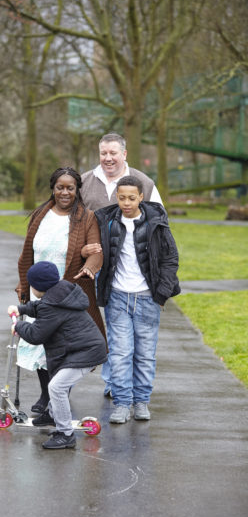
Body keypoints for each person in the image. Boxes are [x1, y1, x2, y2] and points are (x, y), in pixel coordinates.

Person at [16, 167, 106, 414]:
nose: (65, 192)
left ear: (77, 190)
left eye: (70, 188)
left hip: (67, 293)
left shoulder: (86, 218)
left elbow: (95, 250)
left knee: (61, 346)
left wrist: (89, 267)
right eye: (60, 187)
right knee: (38, 346)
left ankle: (57, 395)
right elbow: (27, 253)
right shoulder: (39, 215)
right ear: (52, 189)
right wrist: (25, 285)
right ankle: (47, 393)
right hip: (38, 289)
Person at [81, 132, 163, 399]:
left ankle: (116, 386)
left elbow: (160, 228)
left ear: (124, 154)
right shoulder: (84, 182)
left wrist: (160, 277)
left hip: (130, 270)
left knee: (130, 335)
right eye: (103, 153)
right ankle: (115, 380)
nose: (108, 158)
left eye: (113, 153)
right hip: (94, 266)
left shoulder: (144, 183)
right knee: (102, 325)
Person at [95, 176, 180, 423]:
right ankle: (122, 403)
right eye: (122, 198)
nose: (126, 203)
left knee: (144, 354)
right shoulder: (106, 220)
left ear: (142, 197)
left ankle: (142, 402)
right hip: (118, 298)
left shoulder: (156, 222)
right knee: (120, 353)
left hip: (147, 299)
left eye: (132, 198)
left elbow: (170, 259)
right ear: (117, 197)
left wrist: (161, 295)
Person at [8, 261, 107, 449]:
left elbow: (36, 334)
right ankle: (53, 415)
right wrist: (21, 309)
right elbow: (40, 307)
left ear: (39, 286)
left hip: (85, 351)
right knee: (56, 379)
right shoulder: (61, 292)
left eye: (32, 286)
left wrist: (18, 326)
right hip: (79, 348)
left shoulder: (52, 305)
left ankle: (65, 434)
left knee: (56, 387)